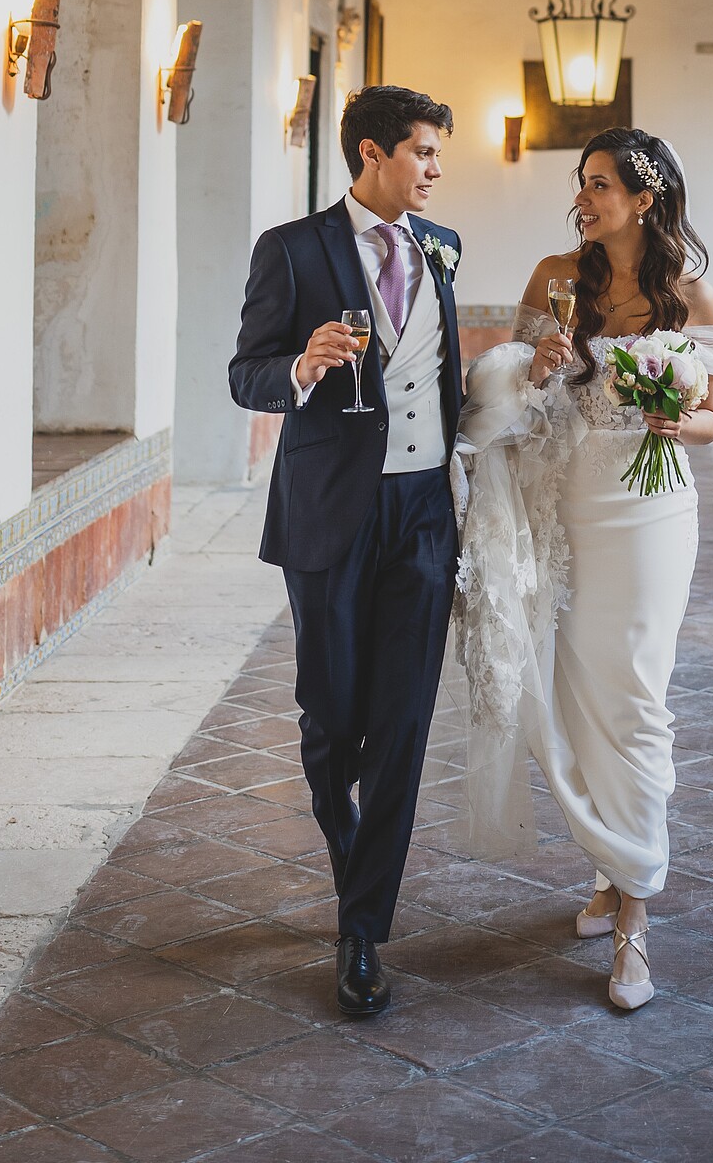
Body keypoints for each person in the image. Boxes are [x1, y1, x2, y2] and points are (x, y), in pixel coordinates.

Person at [453, 128, 713, 1011]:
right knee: (573, 694)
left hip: (652, 511)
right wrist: (535, 368)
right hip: (567, 503)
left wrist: (681, 423)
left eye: (602, 184)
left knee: (636, 696)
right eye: (582, 182)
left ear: (644, 199)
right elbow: (509, 397)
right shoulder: (553, 279)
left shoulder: (686, 293)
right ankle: (609, 867)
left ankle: (634, 921)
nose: (585, 196)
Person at [229, 84, 462, 1019]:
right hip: (329, 510)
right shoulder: (292, 249)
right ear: (371, 154)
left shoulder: (440, 248)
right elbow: (244, 374)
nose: (437, 170)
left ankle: (362, 927)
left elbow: (443, 380)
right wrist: (300, 366)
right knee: (331, 723)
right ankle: (351, 857)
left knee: (402, 724)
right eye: (424, 153)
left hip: (423, 509)